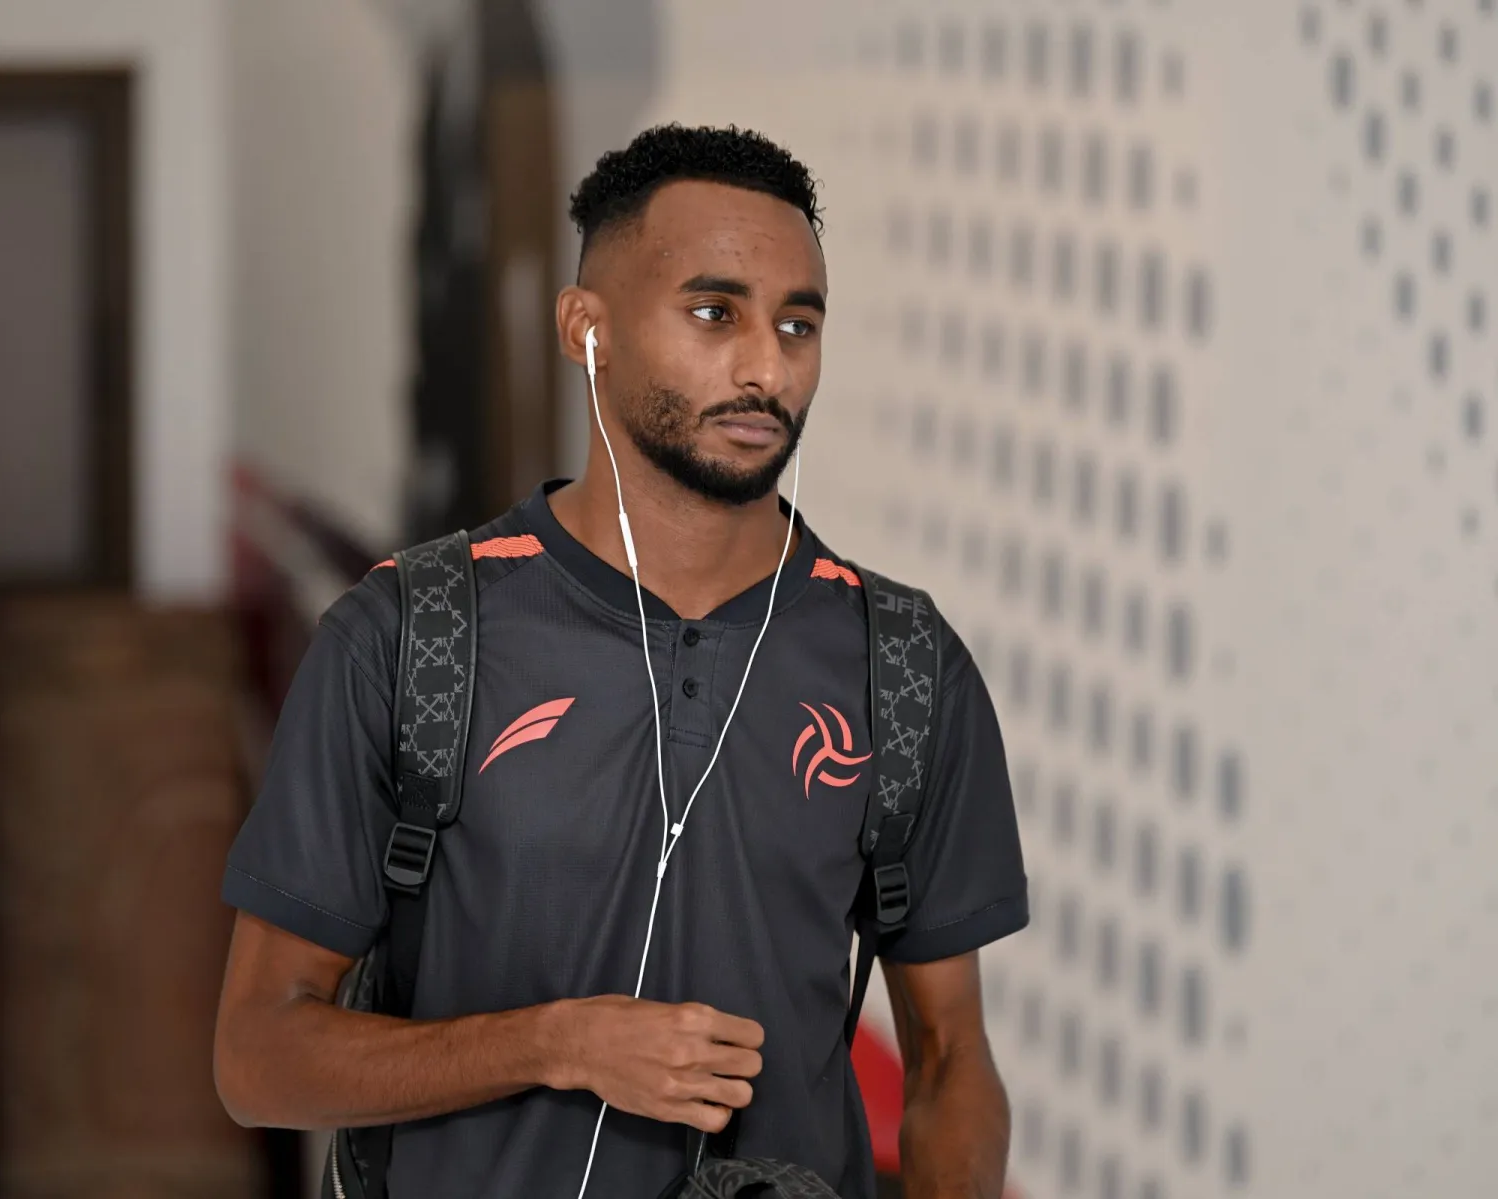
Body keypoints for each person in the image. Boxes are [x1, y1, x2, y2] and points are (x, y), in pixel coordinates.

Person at [213, 123, 1029, 1199]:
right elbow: (259, 1057)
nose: (767, 367)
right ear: (585, 329)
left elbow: (952, 1057)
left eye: (798, 324)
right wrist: (556, 1043)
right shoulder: (407, 635)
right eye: (715, 312)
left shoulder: (904, 664)